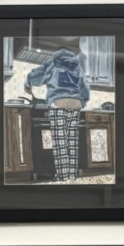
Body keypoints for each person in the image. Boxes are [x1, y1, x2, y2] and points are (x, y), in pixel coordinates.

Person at [25, 48, 90, 181]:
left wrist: (28, 82)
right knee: (72, 141)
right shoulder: (77, 67)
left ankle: (62, 176)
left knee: (60, 141)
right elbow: (85, 88)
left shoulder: (53, 63)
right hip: (75, 103)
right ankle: (71, 175)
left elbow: (38, 74)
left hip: (59, 102)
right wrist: (81, 102)